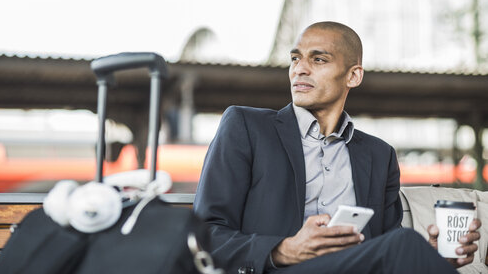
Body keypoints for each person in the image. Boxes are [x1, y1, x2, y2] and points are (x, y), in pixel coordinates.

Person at [193, 21, 481, 274]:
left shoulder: (379, 156)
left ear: (353, 76)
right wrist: (282, 250)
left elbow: (384, 246)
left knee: (407, 245)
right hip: (275, 270)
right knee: (405, 244)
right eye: (295, 58)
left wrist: (431, 256)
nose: (299, 69)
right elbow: (204, 234)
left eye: (318, 60)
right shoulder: (247, 127)